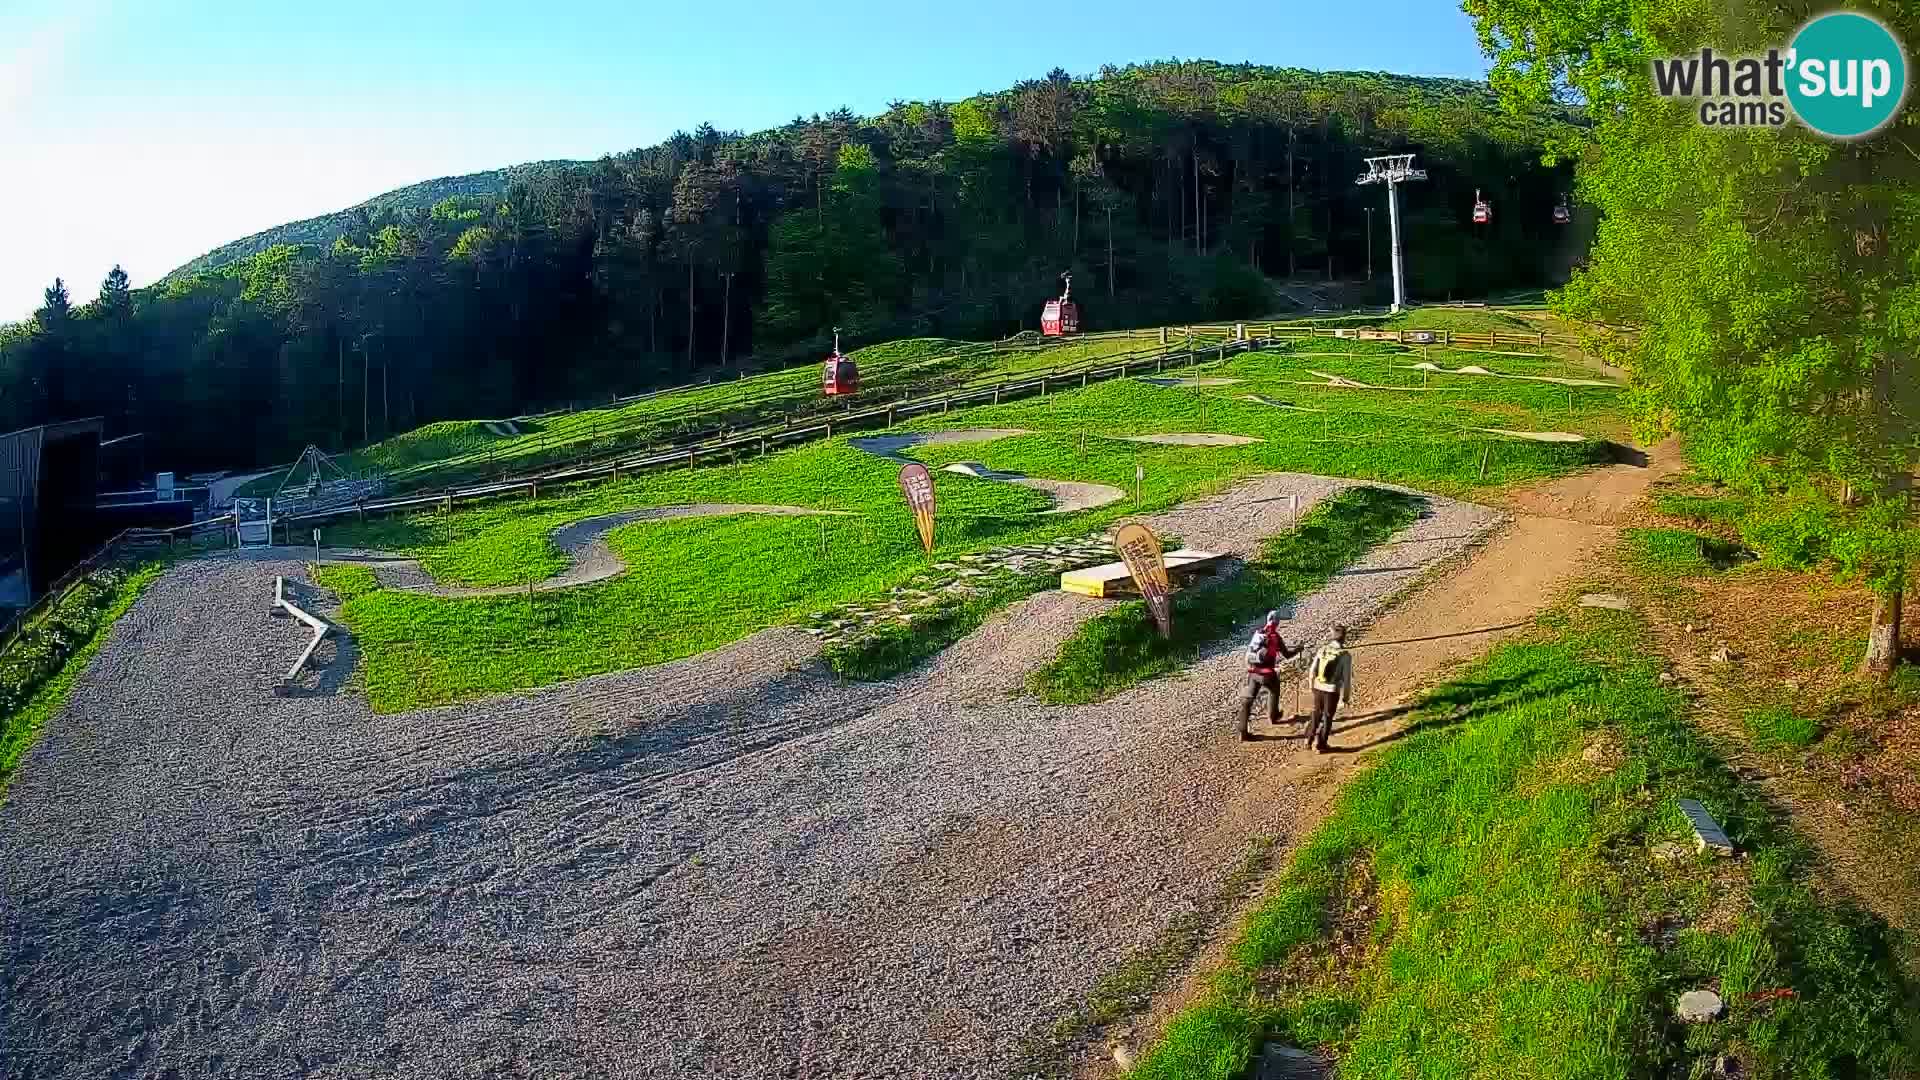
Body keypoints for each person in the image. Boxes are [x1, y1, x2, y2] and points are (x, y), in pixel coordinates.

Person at [1237, 610, 1300, 741]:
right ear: (1277, 623)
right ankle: (1273, 716)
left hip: (1253, 673)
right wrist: (1299, 649)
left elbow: (1251, 651)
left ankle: (1243, 732)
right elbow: (1287, 655)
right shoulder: (1275, 637)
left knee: (1248, 701)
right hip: (1267, 674)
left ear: (1267, 620)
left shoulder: (1258, 633)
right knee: (1274, 691)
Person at [1304, 626, 1353, 753]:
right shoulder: (1345, 655)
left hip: (1318, 687)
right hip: (1332, 690)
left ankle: (1308, 739)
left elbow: (1312, 670)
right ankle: (1320, 744)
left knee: (1316, 713)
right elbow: (1346, 679)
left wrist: (1311, 685)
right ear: (1344, 637)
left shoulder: (1323, 649)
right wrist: (1345, 697)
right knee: (1327, 716)